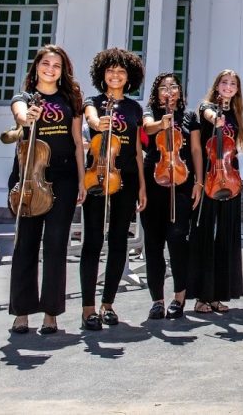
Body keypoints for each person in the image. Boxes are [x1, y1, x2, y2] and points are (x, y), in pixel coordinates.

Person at [8, 45, 86, 335]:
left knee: (55, 245)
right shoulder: (25, 98)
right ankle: (22, 312)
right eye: (46, 63)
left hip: (63, 177)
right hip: (29, 176)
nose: (50, 69)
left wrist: (81, 179)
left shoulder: (70, 98)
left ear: (62, 70)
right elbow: (18, 114)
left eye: (56, 65)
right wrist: (27, 116)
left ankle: (51, 313)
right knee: (25, 244)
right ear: (37, 66)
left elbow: (78, 142)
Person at [80, 47, 147, 330]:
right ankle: (88, 309)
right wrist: (98, 123)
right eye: (110, 70)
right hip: (96, 176)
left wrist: (142, 186)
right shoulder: (93, 101)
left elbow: (138, 149)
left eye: (121, 71)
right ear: (102, 74)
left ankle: (108, 303)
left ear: (128, 76)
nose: (115, 75)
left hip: (128, 177)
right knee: (93, 241)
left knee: (119, 240)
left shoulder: (134, 109)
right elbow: (90, 117)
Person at [140, 72, 203, 320]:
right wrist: (162, 123)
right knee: (153, 244)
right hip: (154, 180)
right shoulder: (150, 114)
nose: (169, 90)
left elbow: (196, 149)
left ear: (179, 92)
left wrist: (199, 181)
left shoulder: (189, 117)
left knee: (177, 238)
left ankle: (179, 296)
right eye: (163, 87)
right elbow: (147, 129)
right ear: (157, 93)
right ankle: (157, 299)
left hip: (183, 180)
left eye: (173, 86)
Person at [187, 69, 243, 313]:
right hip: (210, 179)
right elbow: (209, 115)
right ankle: (202, 296)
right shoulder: (206, 107)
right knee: (204, 237)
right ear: (217, 85)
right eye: (224, 82)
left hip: (230, 178)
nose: (228, 86)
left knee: (226, 238)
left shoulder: (236, 114)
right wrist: (215, 117)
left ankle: (218, 295)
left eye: (233, 84)